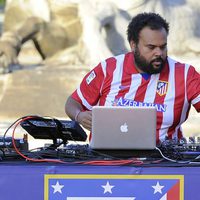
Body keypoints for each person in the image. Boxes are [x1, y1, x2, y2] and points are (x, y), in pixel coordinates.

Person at [65, 12, 200, 143]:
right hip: (105, 161)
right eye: (151, 47)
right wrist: (79, 116)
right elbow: (73, 102)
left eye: (163, 47)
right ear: (133, 45)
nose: (159, 53)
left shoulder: (185, 74)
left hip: (163, 162)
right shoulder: (108, 69)